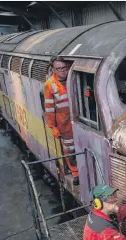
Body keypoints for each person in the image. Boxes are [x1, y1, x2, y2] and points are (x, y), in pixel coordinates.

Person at [44, 57, 79, 185]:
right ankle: (75, 173)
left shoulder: (74, 75)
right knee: (70, 149)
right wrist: (53, 127)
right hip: (64, 124)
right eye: (59, 69)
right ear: (53, 70)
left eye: (64, 68)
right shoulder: (50, 85)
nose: (63, 71)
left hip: (78, 119)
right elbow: (49, 108)